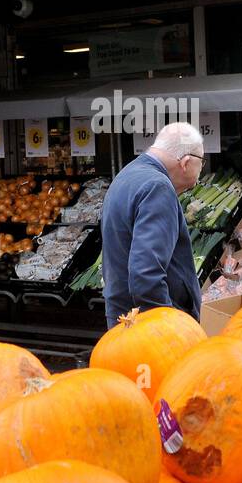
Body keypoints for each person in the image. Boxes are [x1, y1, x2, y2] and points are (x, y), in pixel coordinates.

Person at [99, 121, 205, 328]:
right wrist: (167, 326)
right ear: (185, 162)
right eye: (203, 162)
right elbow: (146, 274)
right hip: (148, 327)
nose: (200, 175)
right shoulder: (158, 187)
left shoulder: (127, 174)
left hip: (124, 319)